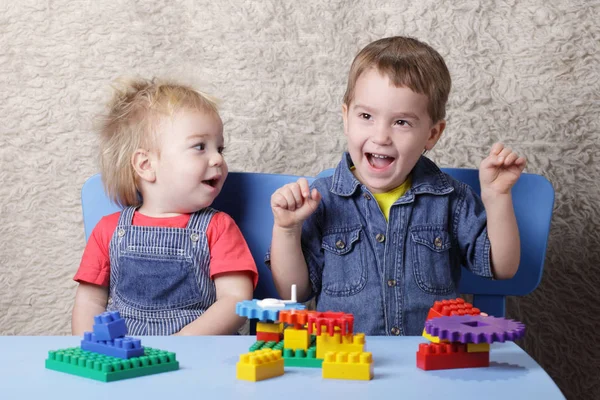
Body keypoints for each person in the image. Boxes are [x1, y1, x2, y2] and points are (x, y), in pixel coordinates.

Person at [268, 36, 526, 335]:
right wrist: (286, 230)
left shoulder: (451, 199)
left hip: (430, 363)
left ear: (432, 134)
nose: (381, 136)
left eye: (401, 122)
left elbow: (502, 268)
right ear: (346, 118)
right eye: (366, 116)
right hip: (343, 365)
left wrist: (497, 196)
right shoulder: (320, 200)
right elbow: (295, 293)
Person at [71, 78, 257, 335]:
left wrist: (183, 342)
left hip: (195, 354)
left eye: (220, 148)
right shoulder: (109, 230)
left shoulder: (218, 227)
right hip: (128, 356)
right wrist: (89, 348)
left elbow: (235, 299)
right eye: (199, 147)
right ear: (146, 165)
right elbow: (90, 301)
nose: (217, 159)